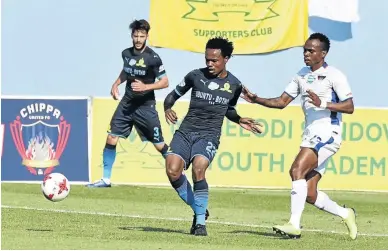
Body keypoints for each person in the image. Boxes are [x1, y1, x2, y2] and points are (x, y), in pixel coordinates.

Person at [241, 33, 357, 239]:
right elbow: (281, 102)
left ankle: (294, 225)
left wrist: (324, 104)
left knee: (296, 170)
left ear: (323, 53)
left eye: (311, 50)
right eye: (304, 49)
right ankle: (345, 213)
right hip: (311, 133)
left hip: (328, 133)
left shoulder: (334, 75)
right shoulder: (301, 74)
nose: (306, 53)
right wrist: (256, 99)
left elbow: (349, 106)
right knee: (310, 193)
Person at [163, 37, 263, 236]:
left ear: (226, 59)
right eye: (207, 59)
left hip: (209, 134)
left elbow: (229, 110)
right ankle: (198, 208)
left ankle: (200, 224)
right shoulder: (194, 76)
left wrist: (239, 119)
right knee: (172, 171)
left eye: (214, 60)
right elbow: (172, 96)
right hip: (185, 132)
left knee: (199, 169)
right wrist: (167, 108)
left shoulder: (234, 85)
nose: (209, 64)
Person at [87, 19, 169, 188]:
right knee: (112, 137)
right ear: (132, 36)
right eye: (136, 36)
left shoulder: (153, 58)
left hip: (146, 107)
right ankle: (106, 179)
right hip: (127, 103)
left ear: (147, 36)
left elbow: (165, 82)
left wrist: (146, 86)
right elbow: (126, 71)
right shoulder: (126, 53)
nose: (139, 39)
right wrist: (116, 83)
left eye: (142, 36)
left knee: (159, 144)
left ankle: (179, 171)